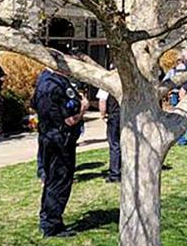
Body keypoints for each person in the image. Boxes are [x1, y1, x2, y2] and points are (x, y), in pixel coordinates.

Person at [33, 65, 85, 237]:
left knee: (52, 180)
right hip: (59, 140)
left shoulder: (44, 80)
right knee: (59, 181)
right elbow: (69, 119)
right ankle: (51, 224)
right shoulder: (54, 84)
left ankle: (49, 220)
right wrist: (83, 107)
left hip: (49, 137)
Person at [97, 86, 121, 183]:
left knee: (114, 145)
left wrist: (103, 115)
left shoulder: (106, 84)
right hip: (127, 116)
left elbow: (102, 101)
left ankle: (115, 173)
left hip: (114, 116)